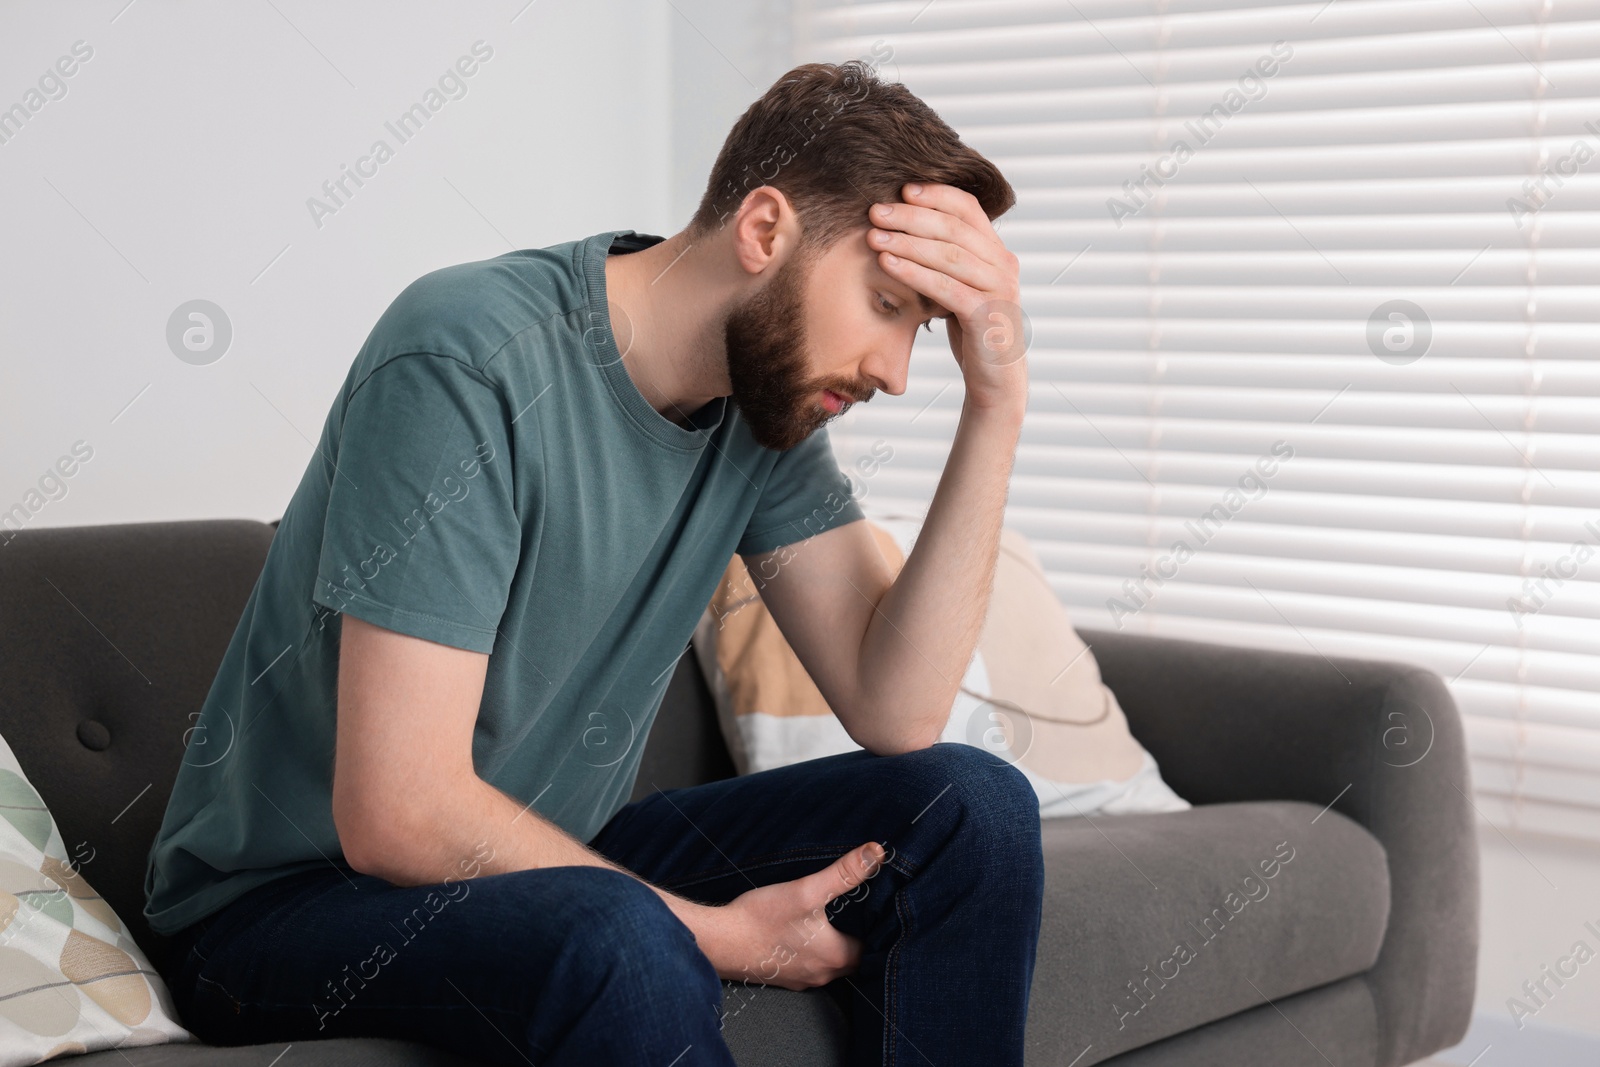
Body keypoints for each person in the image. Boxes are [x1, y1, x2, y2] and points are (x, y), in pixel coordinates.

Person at [144, 57, 1043, 1066]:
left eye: (923, 331)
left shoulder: (763, 412)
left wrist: (996, 401)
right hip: (280, 910)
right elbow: (398, 811)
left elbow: (897, 706)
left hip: (545, 865)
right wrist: (720, 934)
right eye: (886, 304)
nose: (896, 371)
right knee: (622, 935)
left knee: (973, 807)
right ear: (763, 231)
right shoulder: (466, 358)